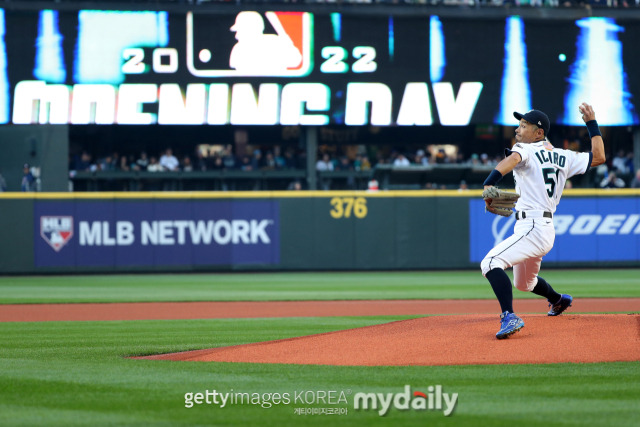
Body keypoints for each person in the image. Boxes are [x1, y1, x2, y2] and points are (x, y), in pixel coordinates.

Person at [480, 103, 605, 339]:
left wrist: (490, 182)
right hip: (542, 228)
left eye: (524, 125)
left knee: (490, 263)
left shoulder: (527, 149)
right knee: (524, 284)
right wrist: (592, 124)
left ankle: (509, 316)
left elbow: (513, 159)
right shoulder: (564, 156)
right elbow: (599, 157)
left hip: (533, 226)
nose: (518, 129)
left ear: (539, 133)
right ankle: (558, 300)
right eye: (519, 124)